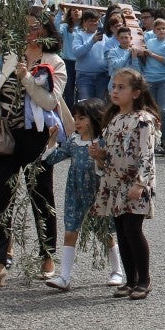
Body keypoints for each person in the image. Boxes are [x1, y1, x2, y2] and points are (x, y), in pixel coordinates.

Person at [0, 11, 72, 287]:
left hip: (36, 137)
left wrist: (27, 78)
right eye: (25, 27)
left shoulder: (55, 63)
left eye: (34, 27)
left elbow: (49, 102)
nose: (29, 32)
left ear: (45, 31)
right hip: (5, 134)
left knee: (41, 196)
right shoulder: (11, 57)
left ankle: (47, 254)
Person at [43, 97, 126, 291]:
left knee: (104, 232)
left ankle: (117, 270)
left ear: (94, 118)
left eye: (81, 118)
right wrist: (52, 139)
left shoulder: (104, 142)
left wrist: (99, 159)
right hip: (75, 193)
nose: (77, 122)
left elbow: (111, 170)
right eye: (75, 118)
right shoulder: (73, 141)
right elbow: (52, 159)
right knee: (70, 231)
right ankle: (64, 276)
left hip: (98, 194)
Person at [89, 69, 159, 300]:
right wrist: (99, 154)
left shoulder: (143, 120)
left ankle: (144, 280)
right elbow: (111, 154)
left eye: (121, 87)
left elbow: (147, 155)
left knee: (133, 229)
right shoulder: (114, 120)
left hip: (135, 184)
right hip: (115, 183)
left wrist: (141, 184)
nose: (115, 91)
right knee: (120, 230)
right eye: (114, 86)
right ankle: (130, 280)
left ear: (136, 93)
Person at [138, 15, 165, 157]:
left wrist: (152, 54)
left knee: (164, 110)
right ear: (154, 30)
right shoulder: (149, 41)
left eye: (164, 28)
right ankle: (152, 141)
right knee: (149, 112)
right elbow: (142, 58)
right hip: (149, 79)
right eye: (159, 29)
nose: (162, 31)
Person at [72, 10, 109, 101]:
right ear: (84, 22)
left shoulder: (104, 37)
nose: (94, 23)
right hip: (84, 77)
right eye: (91, 21)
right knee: (86, 105)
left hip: (102, 76)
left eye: (96, 21)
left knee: (99, 106)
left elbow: (110, 54)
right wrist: (92, 41)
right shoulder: (79, 36)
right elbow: (76, 53)